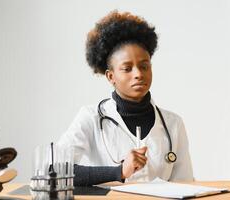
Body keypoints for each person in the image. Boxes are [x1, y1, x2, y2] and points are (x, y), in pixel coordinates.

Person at [58, 10, 193, 186]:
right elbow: (57, 170)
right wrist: (119, 172)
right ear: (110, 76)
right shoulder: (90, 117)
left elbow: (185, 184)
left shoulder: (173, 123)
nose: (138, 74)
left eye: (144, 66)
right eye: (127, 68)